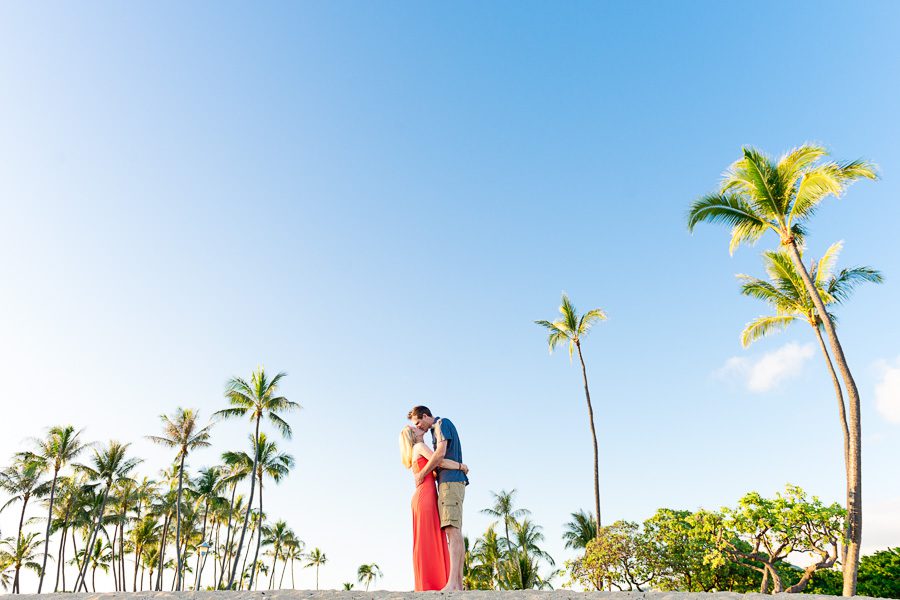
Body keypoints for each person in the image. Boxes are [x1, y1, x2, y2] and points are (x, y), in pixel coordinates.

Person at [399, 425, 468, 591]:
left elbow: (433, 469)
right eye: (414, 428)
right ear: (412, 435)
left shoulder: (416, 449)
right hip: (426, 497)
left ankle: (431, 582)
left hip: (423, 495)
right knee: (431, 538)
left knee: (429, 539)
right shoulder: (419, 446)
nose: (418, 427)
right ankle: (434, 583)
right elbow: (440, 460)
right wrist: (461, 466)